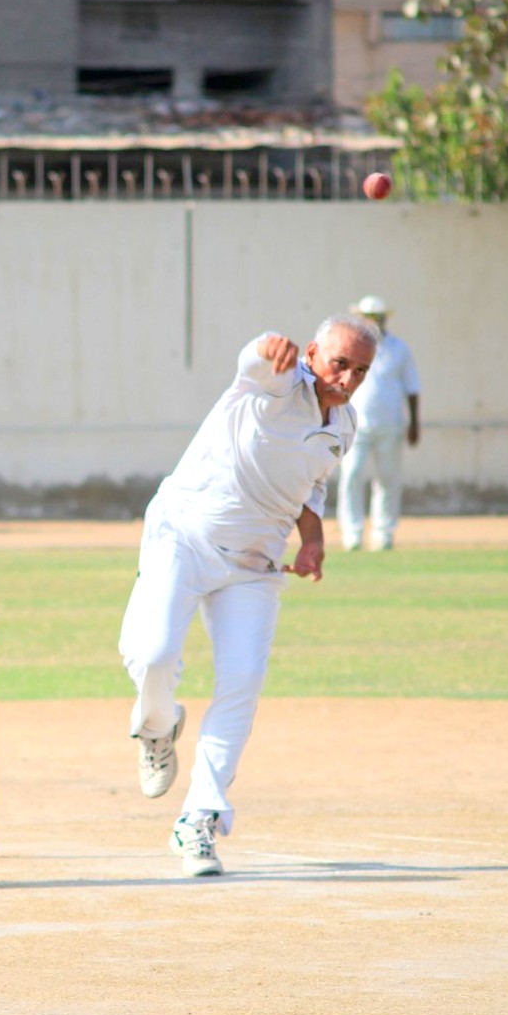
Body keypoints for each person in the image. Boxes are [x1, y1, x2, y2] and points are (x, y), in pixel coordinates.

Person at [118, 315, 378, 877]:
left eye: (361, 371)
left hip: (255, 565)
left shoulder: (345, 424)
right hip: (183, 537)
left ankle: (199, 820)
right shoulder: (276, 383)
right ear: (312, 354)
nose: (349, 379)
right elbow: (253, 362)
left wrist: (313, 541)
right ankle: (157, 727)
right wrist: (266, 347)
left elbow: (311, 485)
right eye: (340, 364)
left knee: (241, 683)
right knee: (153, 655)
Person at [336, 295, 421, 551]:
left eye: (377, 318)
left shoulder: (399, 349)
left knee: (387, 478)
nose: (372, 323)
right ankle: (352, 533)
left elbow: (412, 387)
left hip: (390, 424)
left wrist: (414, 423)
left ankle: (384, 534)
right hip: (354, 425)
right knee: (351, 475)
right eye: (367, 318)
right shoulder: (348, 348)